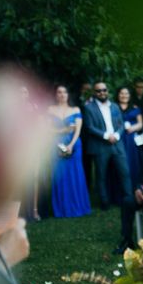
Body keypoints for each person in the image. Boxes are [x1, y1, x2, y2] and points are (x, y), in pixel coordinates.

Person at [83, 81, 132, 210]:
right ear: (95, 93)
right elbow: (89, 127)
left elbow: (121, 124)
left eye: (104, 90)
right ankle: (104, 202)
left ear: (107, 91)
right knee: (101, 175)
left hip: (117, 143)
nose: (102, 93)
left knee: (125, 172)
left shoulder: (115, 106)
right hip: (100, 145)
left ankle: (129, 199)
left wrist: (116, 135)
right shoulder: (89, 107)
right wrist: (106, 135)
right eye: (98, 91)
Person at [48, 85, 91, 218]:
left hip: (74, 144)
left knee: (75, 174)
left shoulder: (75, 109)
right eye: (59, 92)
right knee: (59, 175)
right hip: (55, 144)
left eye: (64, 92)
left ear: (68, 95)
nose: (62, 94)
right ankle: (61, 209)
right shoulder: (50, 109)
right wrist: (63, 132)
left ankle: (77, 206)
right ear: (55, 95)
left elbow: (77, 130)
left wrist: (71, 145)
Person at [116, 86, 143, 189]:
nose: (124, 96)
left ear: (130, 95)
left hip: (131, 139)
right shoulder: (113, 107)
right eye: (121, 93)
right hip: (118, 138)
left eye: (126, 93)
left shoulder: (135, 108)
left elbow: (140, 124)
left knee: (131, 162)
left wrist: (132, 128)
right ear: (118, 95)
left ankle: (133, 189)